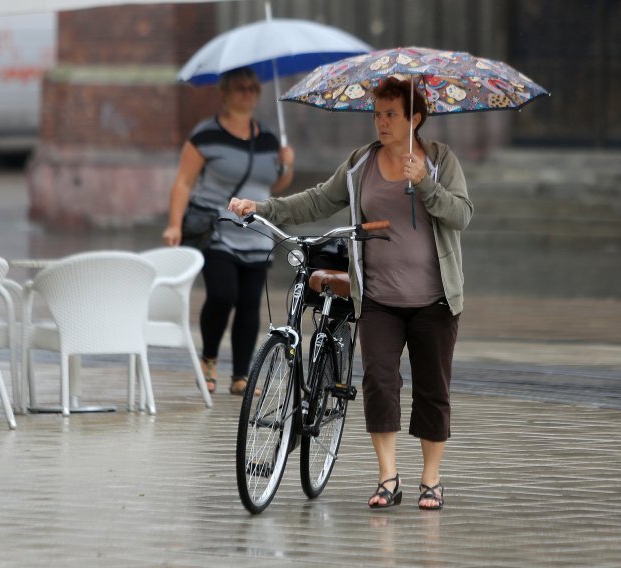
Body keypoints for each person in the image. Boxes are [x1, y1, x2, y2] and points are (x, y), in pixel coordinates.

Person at [228, 77, 473, 510]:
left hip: (435, 301)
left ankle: (431, 480)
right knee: (379, 381)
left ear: (414, 119)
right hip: (378, 298)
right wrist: (264, 206)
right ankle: (387, 477)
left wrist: (427, 186)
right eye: (377, 114)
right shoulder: (361, 163)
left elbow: (461, 216)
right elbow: (319, 200)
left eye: (391, 114)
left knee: (433, 389)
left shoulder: (439, 160)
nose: (380, 122)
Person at [162, 66, 295, 396]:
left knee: (250, 302)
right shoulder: (205, 135)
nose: (247, 93)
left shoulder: (267, 138)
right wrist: (174, 224)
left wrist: (287, 164)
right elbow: (183, 182)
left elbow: (274, 183)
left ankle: (241, 376)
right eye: (240, 88)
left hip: (256, 231)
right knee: (223, 294)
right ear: (224, 93)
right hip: (216, 227)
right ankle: (208, 357)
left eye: (252, 88)